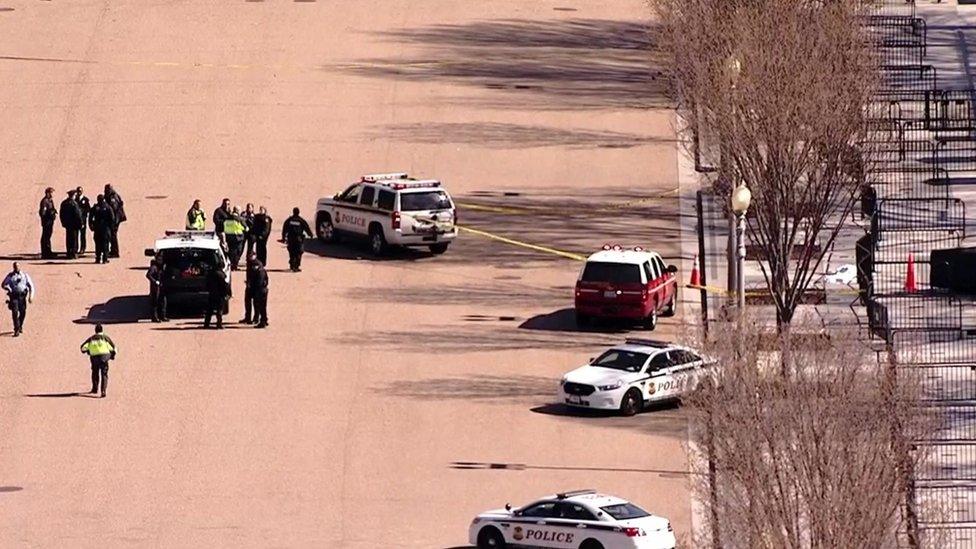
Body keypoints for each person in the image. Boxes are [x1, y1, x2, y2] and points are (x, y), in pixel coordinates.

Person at [80, 324, 116, 398]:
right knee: (104, 374)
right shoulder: (105, 338)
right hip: (104, 357)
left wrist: (88, 351)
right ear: (102, 330)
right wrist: (112, 356)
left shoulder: (91, 338)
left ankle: (95, 389)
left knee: (95, 372)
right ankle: (103, 391)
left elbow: (83, 348)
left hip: (94, 358)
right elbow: (113, 348)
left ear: (95, 331)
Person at [2, 262, 34, 337]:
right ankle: (16, 329)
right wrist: (8, 288)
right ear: (13, 267)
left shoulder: (25, 275)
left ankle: (20, 325)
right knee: (15, 312)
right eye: (15, 266)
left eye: (17, 266)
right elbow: (3, 284)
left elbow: (31, 286)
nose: (16, 268)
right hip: (14, 297)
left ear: (20, 267)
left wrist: (30, 296)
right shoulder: (10, 276)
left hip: (22, 297)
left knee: (23, 312)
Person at [281, 207, 312, 272]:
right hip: (298, 239)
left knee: (292, 252)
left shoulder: (289, 220)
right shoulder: (301, 220)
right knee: (298, 253)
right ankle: (296, 266)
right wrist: (310, 234)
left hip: (290, 239)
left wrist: (283, 238)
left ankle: (292, 265)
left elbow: (284, 229)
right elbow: (306, 228)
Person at [89, 194, 116, 264]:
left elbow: (90, 217)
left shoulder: (96, 207)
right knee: (105, 244)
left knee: (98, 244)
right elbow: (112, 218)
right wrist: (111, 228)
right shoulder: (107, 207)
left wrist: (91, 226)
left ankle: (98, 258)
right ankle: (104, 258)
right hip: (105, 229)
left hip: (98, 228)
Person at [104, 184, 126, 258]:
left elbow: (114, 209)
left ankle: (115, 252)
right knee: (112, 235)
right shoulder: (112, 195)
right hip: (115, 218)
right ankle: (113, 250)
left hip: (115, 219)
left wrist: (112, 220)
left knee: (113, 235)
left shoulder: (112, 198)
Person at [59, 190, 83, 259]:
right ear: (73, 196)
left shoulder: (64, 203)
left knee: (68, 239)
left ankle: (69, 252)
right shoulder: (74, 204)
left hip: (67, 224)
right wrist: (80, 223)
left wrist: (63, 222)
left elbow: (61, 214)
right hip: (74, 225)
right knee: (74, 239)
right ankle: (73, 253)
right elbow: (77, 215)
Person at [247, 257, 269, 328]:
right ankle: (264, 320)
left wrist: (252, 285)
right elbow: (267, 279)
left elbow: (258, 283)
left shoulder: (259, 273)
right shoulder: (262, 270)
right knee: (263, 307)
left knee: (261, 307)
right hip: (263, 290)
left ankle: (263, 321)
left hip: (260, 291)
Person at [146, 258, 168, 322]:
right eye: (159, 260)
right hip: (155, 288)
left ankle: (163, 316)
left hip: (161, 286)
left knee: (163, 301)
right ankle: (154, 318)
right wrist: (155, 281)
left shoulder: (162, 267)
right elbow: (148, 275)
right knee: (155, 302)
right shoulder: (154, 267)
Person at [38, 187, 57, 259]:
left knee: (48, 236)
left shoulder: (49, 200)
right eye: (51, 193)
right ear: (48, 193)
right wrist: (50, 214)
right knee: (45, 237)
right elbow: (42, 213)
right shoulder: (45, 201)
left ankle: (48, 251)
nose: (52, 194)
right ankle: (45, 253)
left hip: (50, 221)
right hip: (47, 222)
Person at [75, 186, 91, 254]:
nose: (79, 193)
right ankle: (75, 248)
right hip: (76, 220)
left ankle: (82, 248)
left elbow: (88, 209)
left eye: (80, 191)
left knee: (82, 235)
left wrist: (83, 212)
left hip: (83, 219)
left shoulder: (85, 199)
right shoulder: (75, 199)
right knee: (75, 235)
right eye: (78, 191)